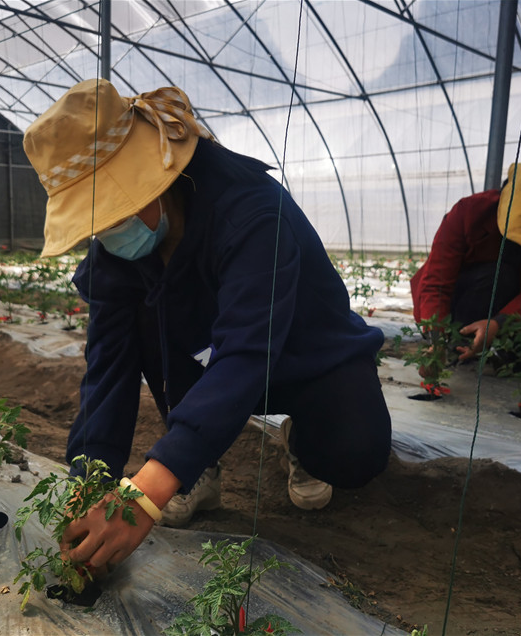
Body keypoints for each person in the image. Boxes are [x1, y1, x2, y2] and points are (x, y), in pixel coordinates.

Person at [22, 79, 391, 574]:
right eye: (97, 223)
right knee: (139, 323)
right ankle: (195, 462)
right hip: (208, 363)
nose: (108, 231)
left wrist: (145, 495)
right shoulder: (117, 254)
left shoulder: (252, 212)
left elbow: (247, 351)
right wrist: (88, 482)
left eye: (115, 210)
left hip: (302, 356)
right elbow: (108, 366)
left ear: (159, 176)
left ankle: (296, 443)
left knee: (355, 453)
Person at [410, 139, 521, 373]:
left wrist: (498, 324)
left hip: (512, 313)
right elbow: (437, 281)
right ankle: (459, 342)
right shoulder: (472, 211)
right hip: (462, 304)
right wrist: (436, 337)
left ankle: (496, 355)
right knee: (498, 275)